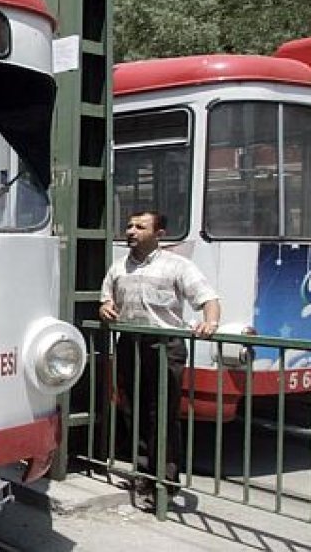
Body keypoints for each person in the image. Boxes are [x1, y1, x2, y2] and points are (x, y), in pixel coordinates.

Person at [99, 210, 220, 509]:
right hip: (130, 344)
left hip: (165, 345)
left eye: (140, 227)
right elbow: (106, 300)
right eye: (129, 225)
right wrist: (105, 308)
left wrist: (211, 322)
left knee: (161, 414)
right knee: (133, 409)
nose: (131, 231)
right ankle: (142, 473)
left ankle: (164, 483)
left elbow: (208, 298)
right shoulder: (119, 267)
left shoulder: (178, 266)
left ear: (159, 233)